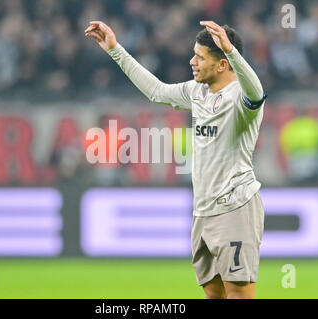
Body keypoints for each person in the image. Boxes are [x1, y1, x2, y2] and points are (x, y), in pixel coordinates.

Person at [85, 19, 266, 299]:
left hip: (235, 206)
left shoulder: (241, 97)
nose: (192, 61)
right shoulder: (198, 92)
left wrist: (232, 51)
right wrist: (115, 49)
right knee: (214, 294)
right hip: (202, 210)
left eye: (200, 57)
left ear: (222, 64)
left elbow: (257, 92)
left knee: (238, 295)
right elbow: (157, 91)